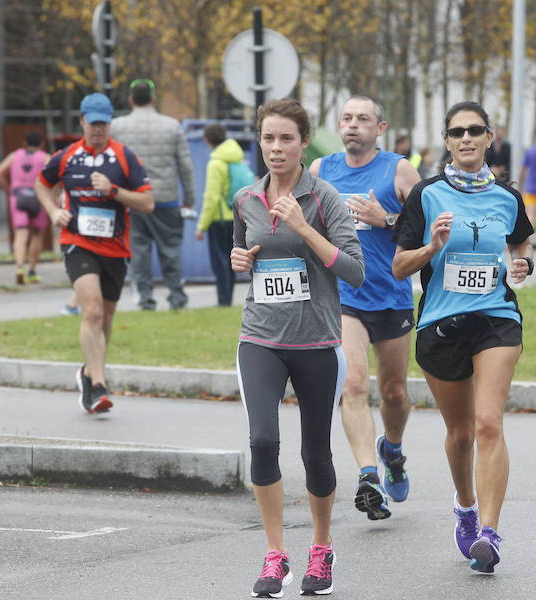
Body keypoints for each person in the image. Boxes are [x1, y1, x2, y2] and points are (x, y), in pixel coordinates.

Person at [393, 100, 534, 574]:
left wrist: (523, 264)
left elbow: (521, 241)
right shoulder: (427, 195)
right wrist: (431, 246)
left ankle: (490, 533)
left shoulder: (507, 198)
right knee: (460, 432)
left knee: (489, 421)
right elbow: (399, 266)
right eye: (458, 132)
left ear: (490, 137)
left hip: (496, 318)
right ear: (447, 142)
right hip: (440, 324)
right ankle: (467, 506)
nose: (467, 139)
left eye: (476, 130)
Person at [231, 98, 364, 598]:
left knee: (315, 453)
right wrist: (240, 259)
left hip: (316, 341)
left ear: (304, 142)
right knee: (263, 442)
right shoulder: (246, 198)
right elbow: (247, 255)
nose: (276, 148)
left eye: (286, 138)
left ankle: (322, 548)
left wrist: (305, 227)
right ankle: (274, 554)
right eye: (268, 138)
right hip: (260, 338)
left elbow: (354, 269)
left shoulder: (325, 197)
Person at [309, 94, 421, 521]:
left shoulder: (399, 169)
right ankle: (370, 477)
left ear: (381, 127)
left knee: (394, 392)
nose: (354, 125)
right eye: (346, 118)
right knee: (353, 384)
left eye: (363, 119)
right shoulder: (322, 170)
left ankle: (391, 450)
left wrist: (387, 220)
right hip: (343, 298)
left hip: (390, 296)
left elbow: (429, 227)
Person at [35, 93, 154, 414]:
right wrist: (52, 211)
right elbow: (41, 183)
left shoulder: (124, 157)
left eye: (104, 123)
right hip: (77, 241)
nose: (98, 129)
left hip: (115, 247)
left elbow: (147, 202)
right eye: (93, 123)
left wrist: (114, 191)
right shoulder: (67, 156)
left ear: (109, 123)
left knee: (106, 317)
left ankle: (87, 372)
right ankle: (99, 385)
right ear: (82, 122)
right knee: (92, 310)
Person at [111, 79, 196, 311]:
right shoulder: (172, 126)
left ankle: (145, 298)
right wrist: (189, 197)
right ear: (153, 99)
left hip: (132, 199)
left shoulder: (117, 127)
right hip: (165, 198)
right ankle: (177, 297)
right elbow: (185, 166)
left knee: (139, 252)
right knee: (170, 250)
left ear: (130, 100)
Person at [195, 123, 243, 306]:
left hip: (219, 218)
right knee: (231, 259)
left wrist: (201, 226)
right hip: (235, 217)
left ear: (208, 140)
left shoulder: (216, 163)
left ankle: (223, 300)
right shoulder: (236, 158)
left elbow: (211, 197)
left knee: (219, 261)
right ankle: (228, 298)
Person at [0, 131, 50, 284]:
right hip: (37, 196)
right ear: (41, 144)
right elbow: (55, 176)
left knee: (20, 234)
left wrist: (9, 189)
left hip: (18, 196)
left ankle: (19, 266)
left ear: (25, 143)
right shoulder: (45, 157)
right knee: (37, 234)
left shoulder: (14, 155)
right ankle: (32, 270)